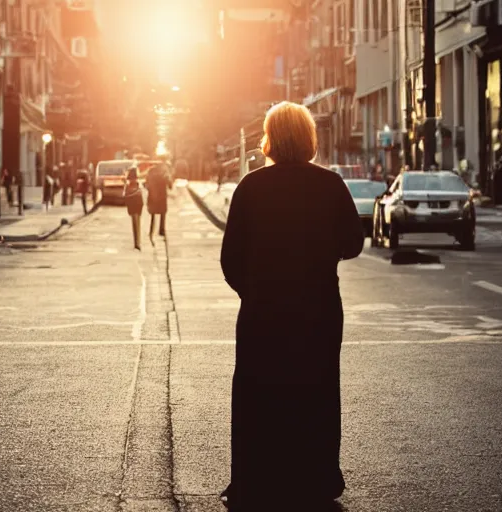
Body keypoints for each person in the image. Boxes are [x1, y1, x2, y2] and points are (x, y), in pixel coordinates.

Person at [219, 101, 364, 511]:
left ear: (269, 139)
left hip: (263, 314)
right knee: (316, 391)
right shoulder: (331, 184)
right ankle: (315, 478)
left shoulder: (250, 187)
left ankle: (255, 480)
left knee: (258, 394)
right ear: (308, 138)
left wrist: (256, 292)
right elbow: (353, 243)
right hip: (318, 311)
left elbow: (230, 260)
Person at [145, 164, 171, 246]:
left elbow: (146, 185)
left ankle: (151, 232)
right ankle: (161, 231)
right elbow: (170, 185)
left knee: (153, 216)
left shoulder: (150, 172)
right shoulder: (164, 173)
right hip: (162, 197)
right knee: (162, 214)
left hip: (152, 197)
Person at [123, 167, 143, 251]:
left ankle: (137, 242)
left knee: (136, 225)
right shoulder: (131, 186)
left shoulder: (136, 185)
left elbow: (126, 197)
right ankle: (137, 243)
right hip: (134, 206)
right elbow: (126, 197)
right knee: (135, 224)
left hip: (136, 206)